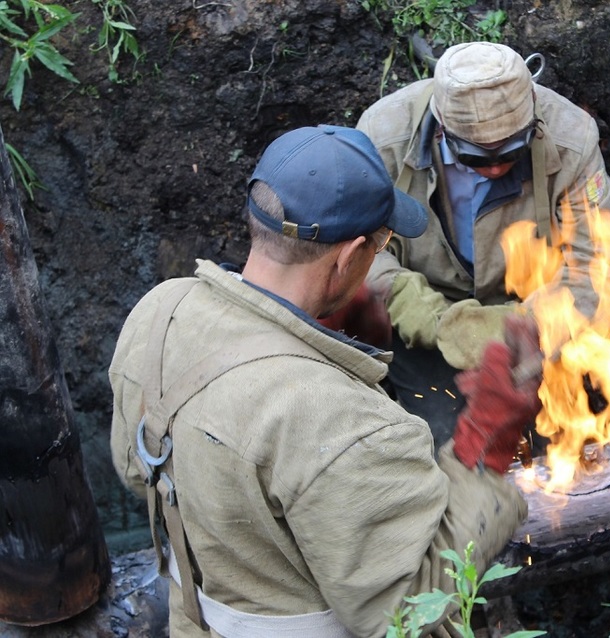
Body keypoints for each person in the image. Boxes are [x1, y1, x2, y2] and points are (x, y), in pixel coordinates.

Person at [109, 125, 538, 638]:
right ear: (347, 255)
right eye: (381, 245)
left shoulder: (160, 312)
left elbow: (140, 470)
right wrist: (485, 442)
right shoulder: (344, 422)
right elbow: (405, 613)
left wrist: (326, 343)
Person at [354, 41, 610, 448]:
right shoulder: (383, 135)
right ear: (441, 129)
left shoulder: (571, 138)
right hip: (424, 321)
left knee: (549, 440)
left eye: (512, 151)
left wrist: (523, 328)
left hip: (533, 317)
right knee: (450, 440)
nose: (495, 166)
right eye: (475, 156)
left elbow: (597, 261)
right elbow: (358, 251)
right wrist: (431, 319)